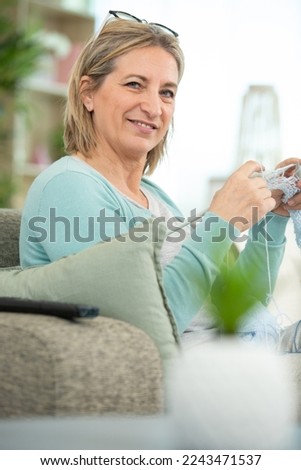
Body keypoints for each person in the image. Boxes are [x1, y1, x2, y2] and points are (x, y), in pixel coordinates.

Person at [20, 10, 301, 345]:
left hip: (237, 354)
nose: (154, 108)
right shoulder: (69, 186)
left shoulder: (155, 196)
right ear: (88, 93)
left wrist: (271, 219)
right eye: (135, 84)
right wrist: (220, 222)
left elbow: (238, 307)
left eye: (167, 92)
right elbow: (141, 328)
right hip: (188, 377)